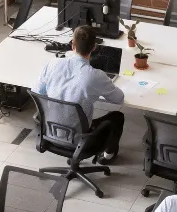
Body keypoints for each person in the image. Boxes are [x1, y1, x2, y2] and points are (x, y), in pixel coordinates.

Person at [32, 25, 125, 162]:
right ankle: (107, 156)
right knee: (117, 117)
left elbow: (37, 92)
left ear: (72, 44)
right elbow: (119, 99)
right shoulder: (95, 76)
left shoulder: (51, 64)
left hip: (49, 131)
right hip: (79, 139)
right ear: (94, 47)